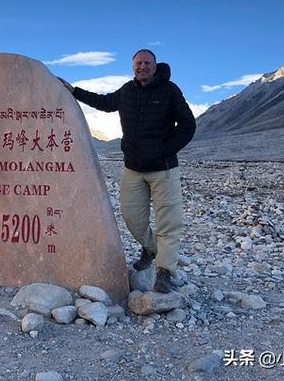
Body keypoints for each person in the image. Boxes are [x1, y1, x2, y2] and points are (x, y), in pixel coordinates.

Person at [59, 49, 196, 293]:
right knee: (132, 217)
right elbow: (104, 103)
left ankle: (165, 271)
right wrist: (74, 92)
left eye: (147, 63)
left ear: (155, 66)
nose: (142, 67)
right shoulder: (127, 91)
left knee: (168, 223)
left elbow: (188, 125)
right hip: (133, 169)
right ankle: (151, 247)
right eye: (138, 63)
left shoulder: (169, 90)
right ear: (133, 67)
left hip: (164, 169)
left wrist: (165, 150)